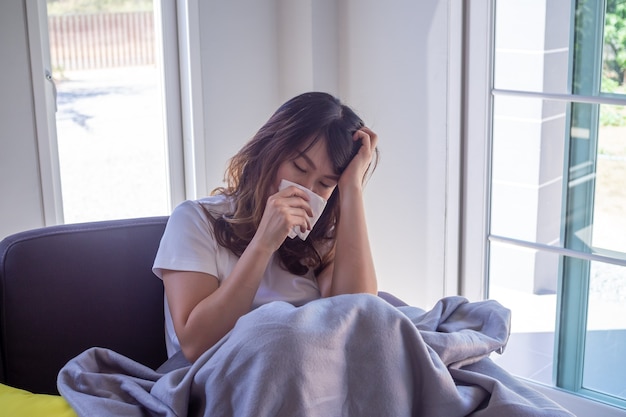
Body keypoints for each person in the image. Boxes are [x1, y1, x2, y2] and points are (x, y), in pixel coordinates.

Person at [152, 92, 380, 362]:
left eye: (325, 183)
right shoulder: (196, 219)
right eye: (299, 167)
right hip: (230, 377)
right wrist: (263, 243)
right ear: (270, 151)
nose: (307, 190)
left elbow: (360, 318)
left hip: (311, 371)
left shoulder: (318, 236)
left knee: (396, 324)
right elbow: (195, 344)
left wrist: (352, 187)